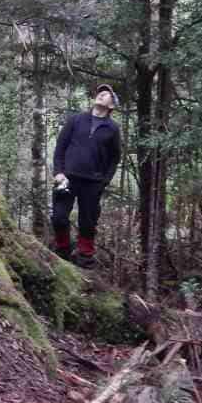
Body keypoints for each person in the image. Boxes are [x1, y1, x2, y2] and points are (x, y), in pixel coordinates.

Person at [51, 84, 122, 269]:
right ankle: (62, 250)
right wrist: (58, 172)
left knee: (88, 221)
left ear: (112, 106)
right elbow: (60, 147)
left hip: (92, 183)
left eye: (107, 95)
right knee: (59, 216)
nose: (101, 95)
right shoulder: (76, 120)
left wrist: (104, 182)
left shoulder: (112, 129)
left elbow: (115, 158)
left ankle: (85, 257)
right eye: (100, 93)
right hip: (67, 178)